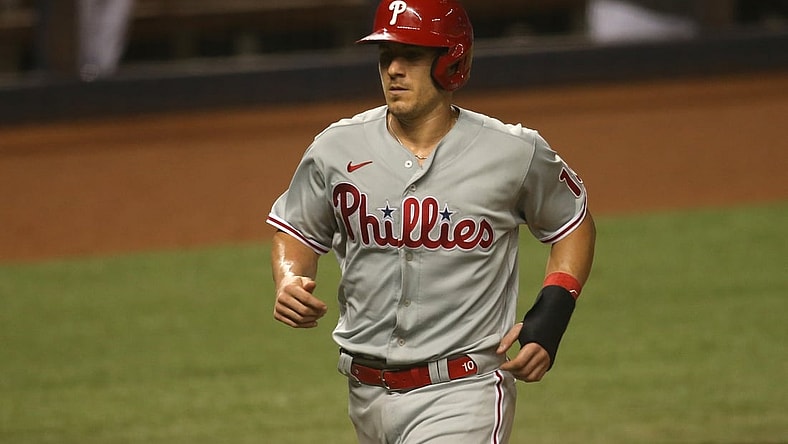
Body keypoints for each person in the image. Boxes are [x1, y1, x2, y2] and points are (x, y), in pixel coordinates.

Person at [268, 1, 596, 442]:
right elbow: (297, 230)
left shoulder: (512, 152)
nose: (394, 70)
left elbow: (572, 222)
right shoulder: (335, 147)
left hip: (465, 391)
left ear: (453, 63)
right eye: (386, 56)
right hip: (364, 393)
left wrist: (552, 311)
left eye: (412, 56)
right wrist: (290, 279)